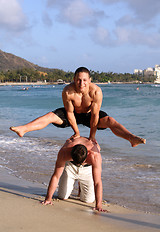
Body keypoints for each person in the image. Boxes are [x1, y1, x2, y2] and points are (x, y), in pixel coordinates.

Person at [10, 67, 146, 147]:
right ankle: (24, 129)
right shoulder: (68, 91)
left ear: (89, 81)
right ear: (74, 79)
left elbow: (94, 115)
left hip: (89, 115)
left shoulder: (96, 92)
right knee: (50, 116)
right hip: (73, 115)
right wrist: (77, 133)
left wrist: (92, 136)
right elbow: (69, 113)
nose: (81, 83)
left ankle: (131, 138)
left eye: (84, 80)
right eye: (79, 80)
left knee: (110, 121)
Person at [42, 136, 107, 212]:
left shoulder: (94, 155)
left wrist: (98, 205)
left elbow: (98, 182)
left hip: (87, 169)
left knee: (88, 200)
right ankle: (75, 181)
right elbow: (56, 176)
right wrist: (48, 199)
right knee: (62, 196)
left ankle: (81, 185)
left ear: (87, 154)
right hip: (70, 167)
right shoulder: (64, 152)